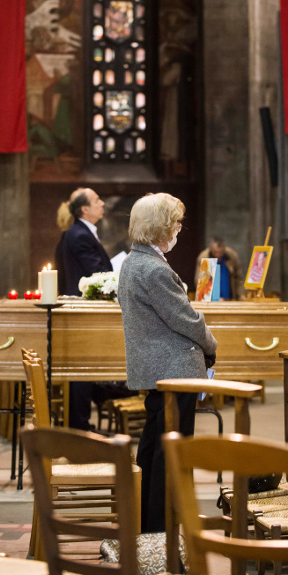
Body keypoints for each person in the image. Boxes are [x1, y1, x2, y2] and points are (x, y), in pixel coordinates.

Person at [118, 193, 217, 532]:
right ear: (160, 227)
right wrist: (211, 344)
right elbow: (186, 319)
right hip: (175, 372)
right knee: (170, 452)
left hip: (159, 370)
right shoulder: (153, 269)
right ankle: (161, 530)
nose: (178, 228)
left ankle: (148, 523)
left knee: (153, 447)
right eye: (174, 222)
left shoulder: (135, 262)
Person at [55, 188, 113, 430]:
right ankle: (79, 426)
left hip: (81, 308)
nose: (102, 204)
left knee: (84, 368)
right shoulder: (80, 235)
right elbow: (95, 274)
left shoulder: (77, 233)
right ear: (85, 209)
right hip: (83, 310)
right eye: (97, 200)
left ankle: (81, 420)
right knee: (82, 368)